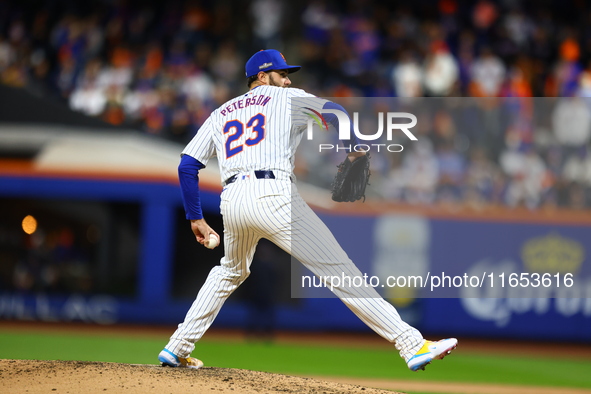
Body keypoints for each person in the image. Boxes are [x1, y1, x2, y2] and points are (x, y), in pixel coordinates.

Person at [158, 49, 457, 372]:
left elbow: (188, 166)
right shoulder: (287, 99)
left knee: (230, 270)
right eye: (282, 74)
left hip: (231, 199)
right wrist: (354, 150)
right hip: (274, 194)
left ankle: (177, 347)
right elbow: (336, 112)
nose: (287, 80)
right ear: (262, 76)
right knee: (340, 271)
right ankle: (411, 344)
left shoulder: (220, 112)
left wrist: (196, 217)